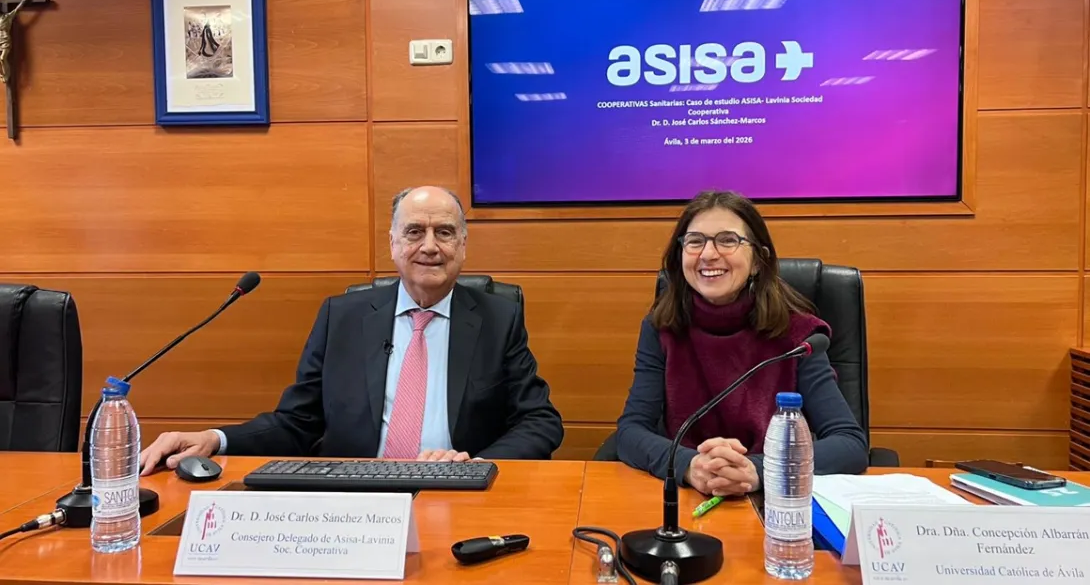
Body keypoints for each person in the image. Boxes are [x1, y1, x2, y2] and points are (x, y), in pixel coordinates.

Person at [140, 185, 564, 473]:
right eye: (414, 232)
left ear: (463, 246)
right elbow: (297, 422)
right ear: (393, 244)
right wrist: (215, 439)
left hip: (458, 492)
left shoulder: (498, 318)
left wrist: (477, 465)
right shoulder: (340, 317)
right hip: (351, 495)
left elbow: (540, 421)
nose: (430, 246)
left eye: (445, 233)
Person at [615, 190, 867, 497]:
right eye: (695, 241)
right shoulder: (662, 328)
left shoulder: (799, 335)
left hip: (774, 500)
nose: (708, 254)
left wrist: (758, 469)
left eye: (727, 240)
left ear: (758, 261)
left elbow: (849, 442)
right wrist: (688, 464)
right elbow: (630, 431)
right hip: (684, 498)